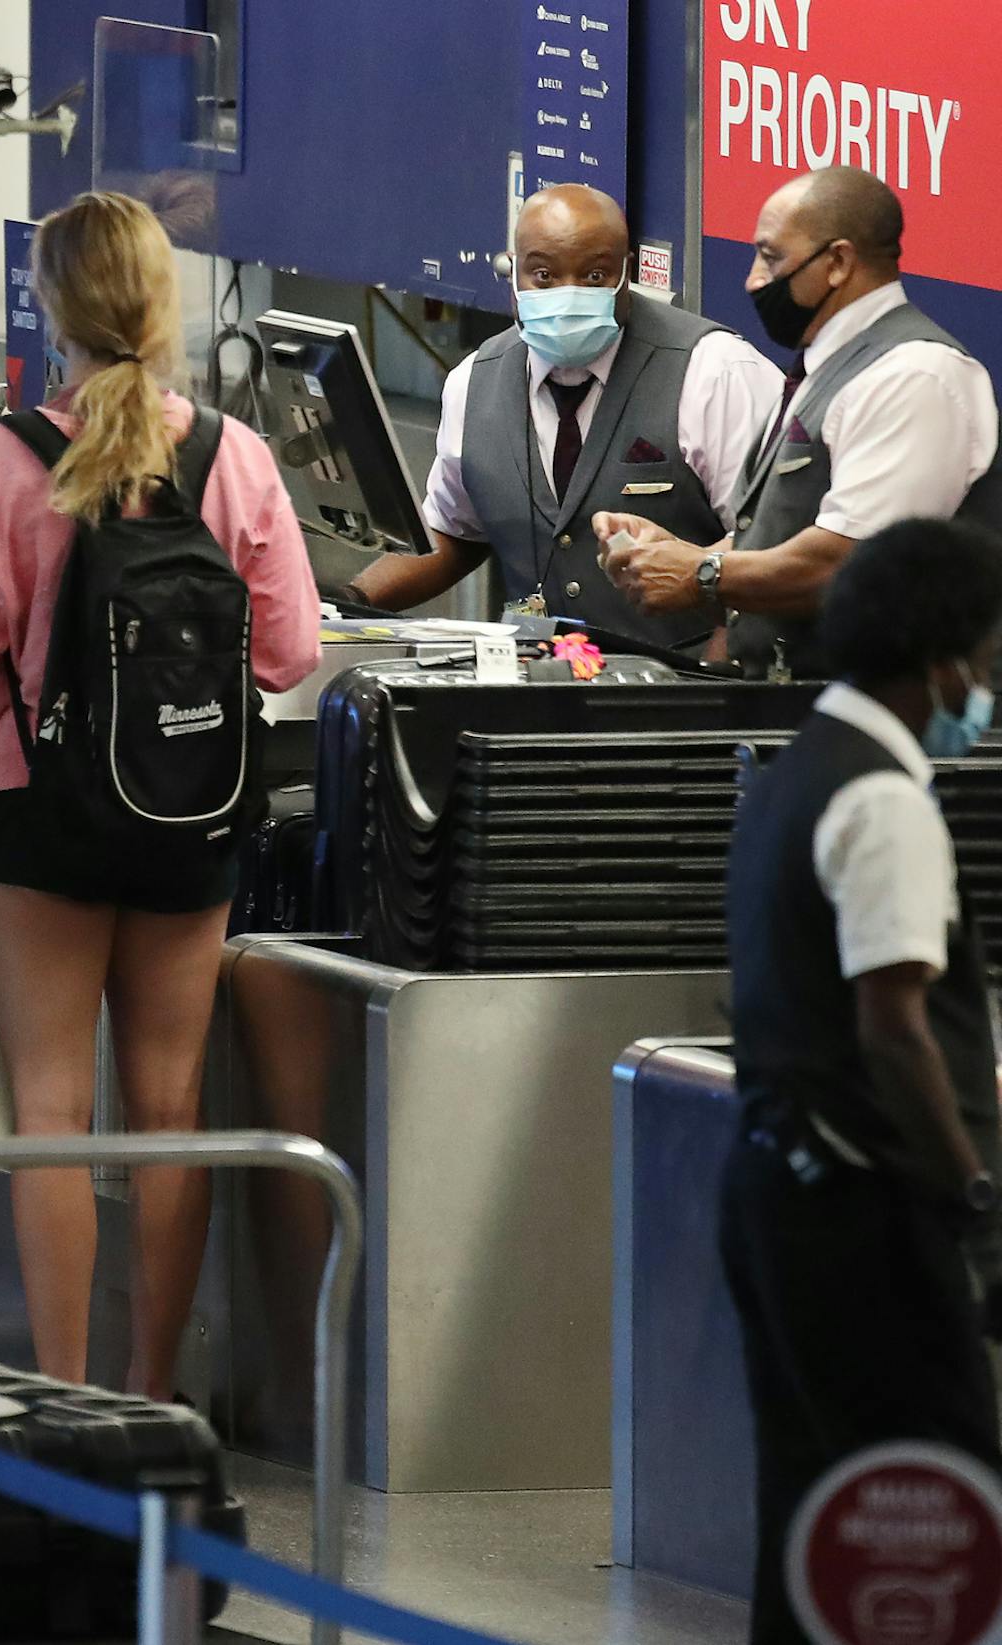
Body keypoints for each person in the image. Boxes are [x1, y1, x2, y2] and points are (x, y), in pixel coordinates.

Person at [0, 191, 322, 1398]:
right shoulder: (233, 457)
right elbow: (291, 653)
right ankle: (151, 1393)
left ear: (51, 308)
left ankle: (65, 1393)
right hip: (189, 817)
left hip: (41, 811)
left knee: (49, 1105)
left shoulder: (0, 461)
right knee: (167, 1102)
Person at [720, 517, 1002, 1644]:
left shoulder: (792, 773)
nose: (984, 684)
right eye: (983, 660)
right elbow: (896, 1030)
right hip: (867, 1212)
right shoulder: (886, 801)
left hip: (779, 1189)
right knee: (925, 1506)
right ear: (938, 660)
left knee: (812, 1505)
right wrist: (970, 1193)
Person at [598, 167, 1002, 680]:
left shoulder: (915, 374)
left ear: (837, 261)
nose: (752, 279)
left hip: (897, 726)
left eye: (771, 257)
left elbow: (849, 563)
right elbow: (776, 537)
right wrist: (675, 555)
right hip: (795, 713)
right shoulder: (820, 369)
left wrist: (700, 573)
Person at [348, 185, 780, 648]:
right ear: (513, 275)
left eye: (594, 275)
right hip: (538, 688)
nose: (568, 293)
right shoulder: (474, 383)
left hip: (687, 688)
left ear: (625, 274)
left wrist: (716, 675)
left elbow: (775, 548)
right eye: (544, 275)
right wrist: (345, 604)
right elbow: (455, 533)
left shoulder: (715, 373)